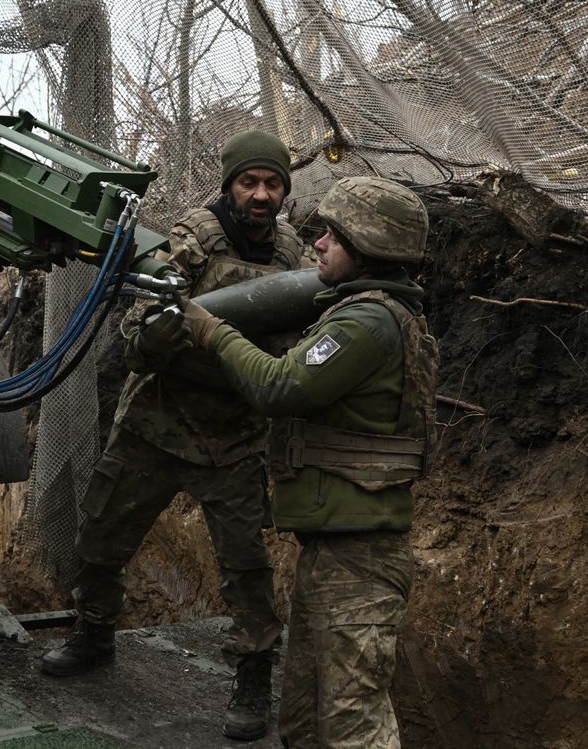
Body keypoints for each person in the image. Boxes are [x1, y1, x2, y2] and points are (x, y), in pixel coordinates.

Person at [40, 130, 314, 742]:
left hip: (235, 433)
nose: (261, 195)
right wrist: (166, 330)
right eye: (250, 182)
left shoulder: (293, 252)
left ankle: (252, 674)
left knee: (245, 565)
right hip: (157, 423)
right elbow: (137, 335)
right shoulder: (193, 240)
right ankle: (92, 633)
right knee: (102, 536)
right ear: (230, 186)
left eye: (272, 184)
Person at [177, 176, 439, 748]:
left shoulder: (366, 323)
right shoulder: (359, 313)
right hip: (334, 551)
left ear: (368, 246)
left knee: (353, 726)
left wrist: (212, 332)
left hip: (361, 561)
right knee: (304, 721)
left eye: (332, 235)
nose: (316, 243)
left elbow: (281, 388)